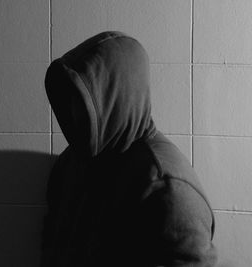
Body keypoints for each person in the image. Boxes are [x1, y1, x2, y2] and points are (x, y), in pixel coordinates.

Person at [40, 31, 217, 267]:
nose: (73, 111)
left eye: (84, 100)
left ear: (116, 96)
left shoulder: (167, 187)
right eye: (71, 99)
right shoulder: (73, 161)